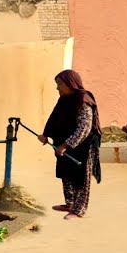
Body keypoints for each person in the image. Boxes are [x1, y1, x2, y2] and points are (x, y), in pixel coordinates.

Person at [39, 69, 101, 219]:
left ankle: (79, 209)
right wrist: (45, 134)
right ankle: (70, 203)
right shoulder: (64, 100)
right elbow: (54, 118)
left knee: (81, 176)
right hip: (65, 142)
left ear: (70, 83)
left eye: (60, 84)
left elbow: (84, 128)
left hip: (84, 145)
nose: (57, 88)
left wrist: (65, 145)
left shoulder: (83, 100)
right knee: (66, 172)